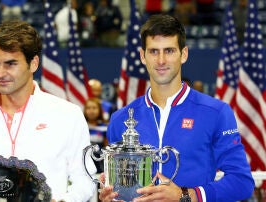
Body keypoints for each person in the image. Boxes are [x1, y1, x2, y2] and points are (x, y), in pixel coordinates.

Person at [99, 14, 255, 201]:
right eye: (154, 51)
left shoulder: (215, 113)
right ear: (142, 56)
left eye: (170, 51)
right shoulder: (120, 119)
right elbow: (117, 187)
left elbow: (242, 182)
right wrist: (108, 197)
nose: (161, 60)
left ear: (184, 54)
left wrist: (185, 195)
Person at [0, 20, 96, 201]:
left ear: (33, 64)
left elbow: (85, 178)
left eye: (10, 64)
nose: (0, 73)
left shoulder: (68, 115)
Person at [84, 97, 108, 173]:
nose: (91, 111)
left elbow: (107, 147)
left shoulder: (104, 127)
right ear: (85, 110)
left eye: (94, 108)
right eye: (88, 108)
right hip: (84, 161)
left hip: (99, 162)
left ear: (100, 110)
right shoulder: (82, 126)